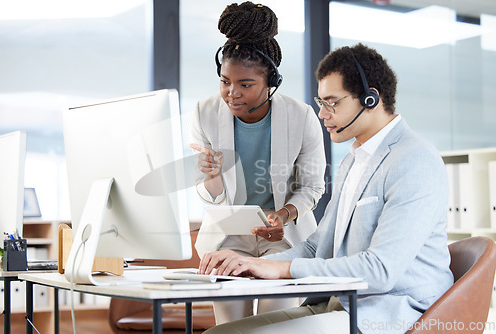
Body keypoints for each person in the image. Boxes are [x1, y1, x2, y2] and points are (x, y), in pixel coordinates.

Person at [197, 43, 454, 334]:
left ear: (370, 100)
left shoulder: (413, 159)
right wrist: (251, 263)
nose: (322, 115)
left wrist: (282, 269)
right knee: (219, 333)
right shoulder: (353, 160)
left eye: (333, 103)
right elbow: (315, 247)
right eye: (321, 103)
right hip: (340, 305)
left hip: (390, 311)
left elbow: (380, 270)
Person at [189, 1, 326, 325]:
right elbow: (209, 196)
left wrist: (283, 215)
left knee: (273, 326)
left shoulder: (301, 115)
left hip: (281, 235)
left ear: (270, 83)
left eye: (246, 85)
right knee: (229, 328)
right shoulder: (204, 113)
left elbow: (312, 186)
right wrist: (210, 177)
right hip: (227, 235)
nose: (232, 93)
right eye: (225, 81)